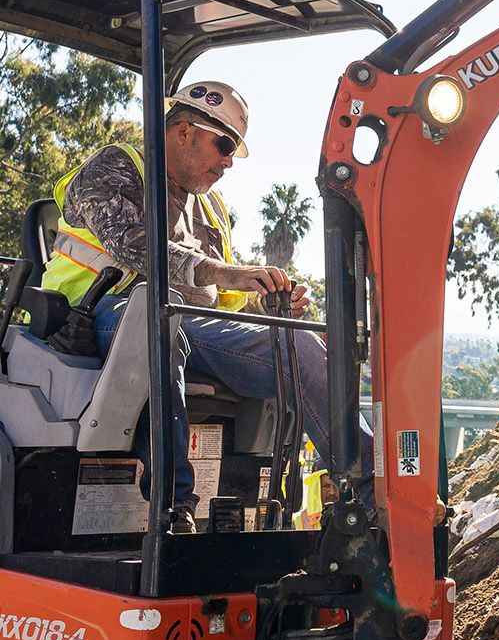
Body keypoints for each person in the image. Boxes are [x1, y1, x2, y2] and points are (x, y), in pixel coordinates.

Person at [42, 80, 374, 531]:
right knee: (158, 325)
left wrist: (272, 305)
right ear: (184, 132)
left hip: (192, 327)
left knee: (301, 347)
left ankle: (375, 492)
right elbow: (134, 247)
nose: (227, 162)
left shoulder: (210, 208)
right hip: (99, 315)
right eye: (224, 145)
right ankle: (175, 505)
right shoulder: (116, 167)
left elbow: (227, 302)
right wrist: (226, 273)